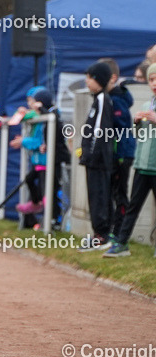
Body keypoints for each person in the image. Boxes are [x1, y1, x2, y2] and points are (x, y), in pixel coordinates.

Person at [106, 63, 156, 257]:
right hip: (142, 165)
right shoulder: (146, 105)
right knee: (133, 206)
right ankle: (121, 243)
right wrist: (137, 123)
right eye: (151, 79)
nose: (154, 83)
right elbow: (141, 136)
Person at [11, 87, 70, 228]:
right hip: (39, 160)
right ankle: (37, 205)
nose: (30, 105)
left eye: (32, 102)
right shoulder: (36, 116)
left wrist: (24, 141)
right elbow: (17, 119)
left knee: (49, 191)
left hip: (50, 160)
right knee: (30, 181)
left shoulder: (51, 114)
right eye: (29, 102)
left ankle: (52, 219)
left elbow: (50, 130)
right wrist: (22, 112)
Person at [78, 61, 115, 252]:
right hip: (94, 159)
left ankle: (102, 235)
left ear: (99, 80)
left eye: (90, 78)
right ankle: (99, 233)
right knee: (95, 196)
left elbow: (100, 131)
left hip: (98, 160)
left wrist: (91, 154)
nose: (87, 81)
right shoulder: (97, 100)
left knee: (99, 196)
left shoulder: (102, 100)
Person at [99, 58, 135, 231]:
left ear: (112, 78)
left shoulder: (117, 100)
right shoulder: (106, 98)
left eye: (101, 76)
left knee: (119, 194)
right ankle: (113, 229)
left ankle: (120, 231)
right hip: (113, 154)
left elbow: (120, 127)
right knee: (111, 192)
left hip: (121, 154)